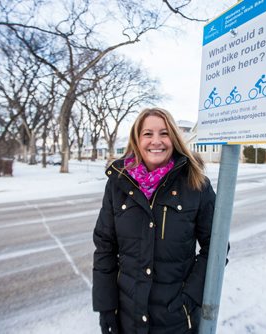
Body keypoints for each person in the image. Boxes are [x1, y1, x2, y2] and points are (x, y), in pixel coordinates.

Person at [92, 107, 218, 333]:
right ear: (137, 139)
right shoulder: (118, 185)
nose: (156, 141)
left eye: (164, 133)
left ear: (174, 138)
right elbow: (105, 248)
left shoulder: (196, 184)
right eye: (148, 134)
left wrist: (190, 298)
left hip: (176, 319)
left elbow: (216, 248)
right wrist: (106, 307)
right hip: (127, 317)